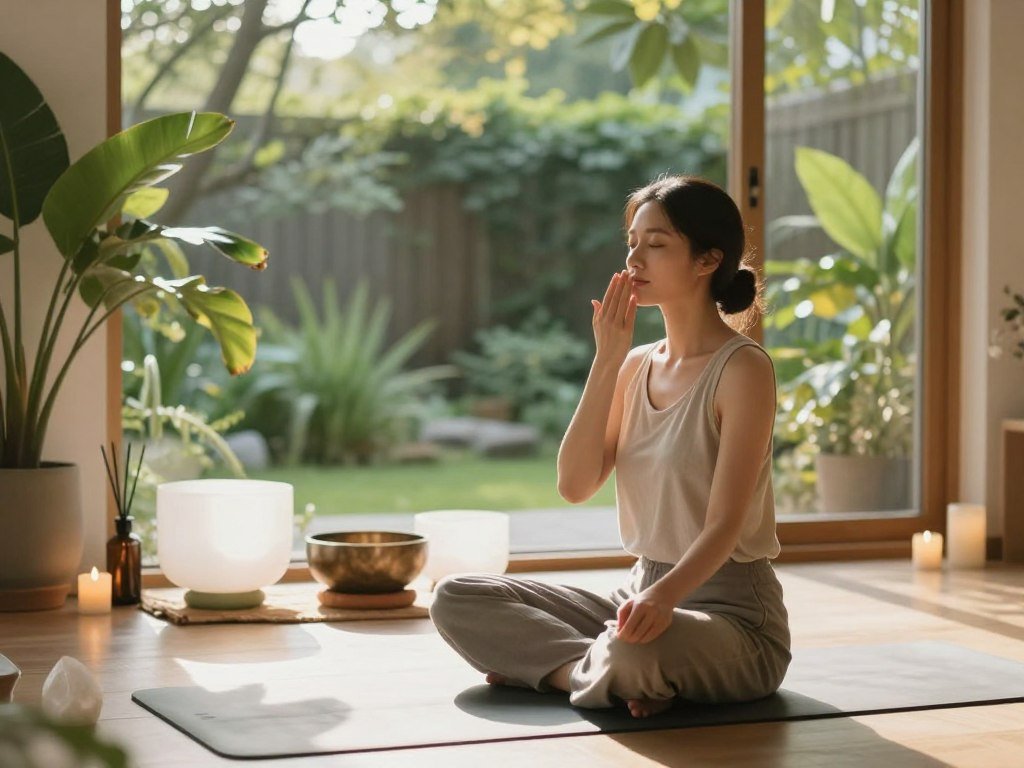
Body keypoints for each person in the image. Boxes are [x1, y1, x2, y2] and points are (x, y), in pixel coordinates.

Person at [429, 174, 790, 719]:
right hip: (636, 600)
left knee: (632, 648)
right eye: (632, 243)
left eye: (657, 244)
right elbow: (573, 485)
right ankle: (600, 674)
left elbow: (726, 527)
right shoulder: (633, 363)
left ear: (706, 260)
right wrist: (606, 359)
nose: (634, 259)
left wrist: (664, 600)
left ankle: (577, 670)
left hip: (732, 618)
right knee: (456, 596)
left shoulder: (743, 370)